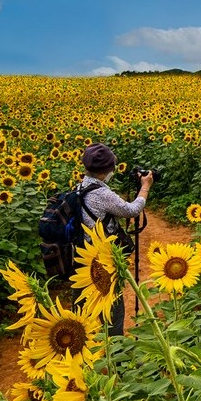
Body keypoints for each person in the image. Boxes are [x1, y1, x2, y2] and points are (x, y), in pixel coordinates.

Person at [78, 142, 153, 336]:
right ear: (106, 171)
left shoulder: (79, 188)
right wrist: (145, 187)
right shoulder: (101, 193)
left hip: (81, 255)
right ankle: (116, 350)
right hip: (103, 259)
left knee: (83, 304)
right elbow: (131, 210)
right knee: (113, 307)